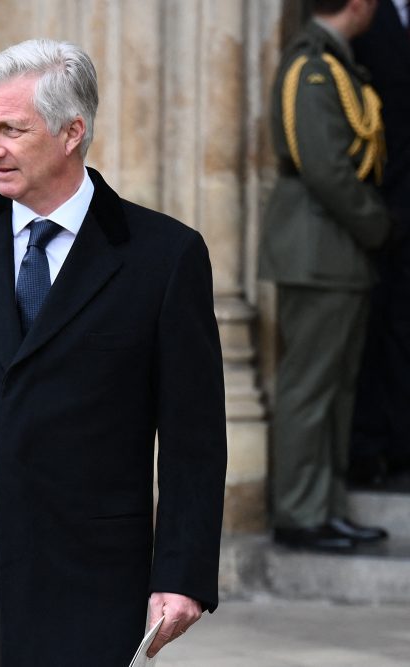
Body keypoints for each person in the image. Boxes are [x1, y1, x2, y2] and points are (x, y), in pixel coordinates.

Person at [0, 38, 227, 666]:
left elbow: (193, 434)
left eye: (11, 129)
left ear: (72, 132)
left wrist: (182, 572)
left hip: (89, 585)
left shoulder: (165, 256)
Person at [259, 0, 390, 552]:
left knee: (334, 388)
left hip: (333, 252)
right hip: (319, 249)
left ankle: (325, 506)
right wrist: (379, 225)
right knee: (310, 386)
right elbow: (326, 167)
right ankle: (299, 512)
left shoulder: (333, 60)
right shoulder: (312, 65)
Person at [348, 0, 410, 488]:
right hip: (378, 208)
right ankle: (371, 450)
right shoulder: (363, 19)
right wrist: (373, 218)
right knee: (375, 327)